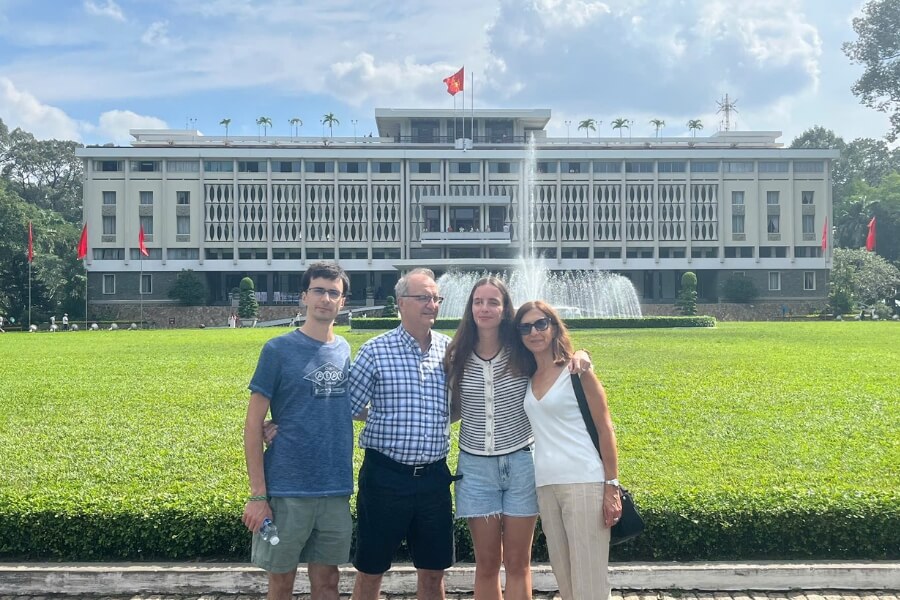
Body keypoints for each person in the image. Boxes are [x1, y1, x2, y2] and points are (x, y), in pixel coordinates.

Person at [444, 278, 591, 600]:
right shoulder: (456, 354)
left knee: (517, 562)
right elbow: (449, 407)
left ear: (504, 308)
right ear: (470, 308)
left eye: (493, 302)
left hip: (521, 462)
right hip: (475, 467)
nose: (485, 308)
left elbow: (558, 352)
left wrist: (582, 352)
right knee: (485, 563)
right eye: (478, 301)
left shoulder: (520, 350)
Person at [242, 262, 353, 600]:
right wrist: (258, 495)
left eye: (334, 292)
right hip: (288, 490)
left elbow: (350, 406)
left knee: (329, 582)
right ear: (304, 296)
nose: (325, 298)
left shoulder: (345, 350)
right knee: (281, 582)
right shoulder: (277, 350)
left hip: (335, 489)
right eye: (318, 290)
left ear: (342, 302)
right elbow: (252, 424)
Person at [349, 267, 455, 600]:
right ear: (401, 303)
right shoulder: (374, 351)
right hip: (385, 478)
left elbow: (457, 407)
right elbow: (349, 406)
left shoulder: (449, 351)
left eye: (436, 298)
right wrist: (380, 416)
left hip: (435, 479)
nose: (432, 304)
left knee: (434, 573)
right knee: (370, 571)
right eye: (423, 297)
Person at [510, 301, 622, 600]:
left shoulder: (576, 370)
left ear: (554, 326)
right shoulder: (528, 377)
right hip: (546, 485)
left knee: (589, 584)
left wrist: (611, 486)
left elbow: (605, 428)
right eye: (525, 327)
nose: (534, 332)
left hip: (583, 482)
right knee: (567, 581)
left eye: (541, 324)